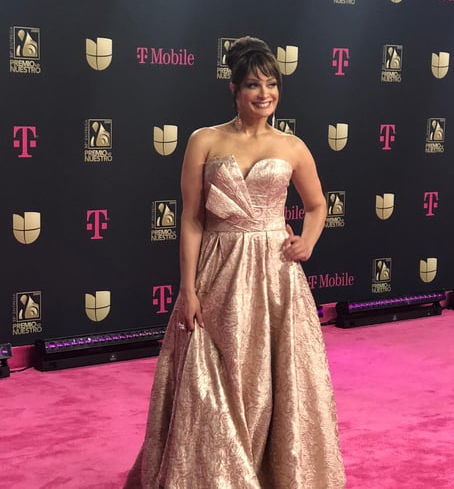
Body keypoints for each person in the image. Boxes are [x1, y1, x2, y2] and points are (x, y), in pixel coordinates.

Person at [124, 36, 346, 489]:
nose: (264, 94)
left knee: (274, 375)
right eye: (252, 85)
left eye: (271, 84)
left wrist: (307, 242)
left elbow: (318, 205)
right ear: (233, 89)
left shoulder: (293, 147)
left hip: (274, 276)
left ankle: (272, 470)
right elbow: (190, 219)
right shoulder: (204, 140)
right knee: (210, 372)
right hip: (218, 270)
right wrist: (187, 289)